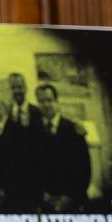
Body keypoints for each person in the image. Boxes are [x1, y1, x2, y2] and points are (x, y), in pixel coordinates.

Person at [35, 83, 91, 211]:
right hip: (45, 201)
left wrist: (69, 197)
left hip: (71, 201)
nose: (45, 105)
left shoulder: (73, 129)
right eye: (41, 101)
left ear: (56, 101)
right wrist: (42, 195)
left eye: (49, 100)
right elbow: (32, 167)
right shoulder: (34, 130)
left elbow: (84, 168)